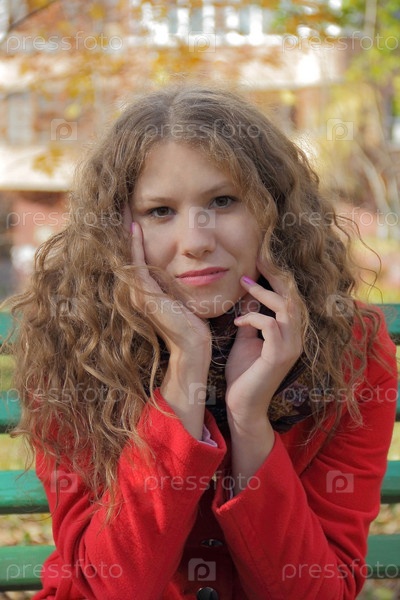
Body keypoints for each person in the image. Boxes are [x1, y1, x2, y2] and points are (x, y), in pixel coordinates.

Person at [5, 83, 398, 600]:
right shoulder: (73, 344)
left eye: (223, 201)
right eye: (160, 211)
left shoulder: (352, 348)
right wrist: (185, 373)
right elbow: (107, 591)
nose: (195, 241)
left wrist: (249, 422)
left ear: (274, 212)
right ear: (116, 231)